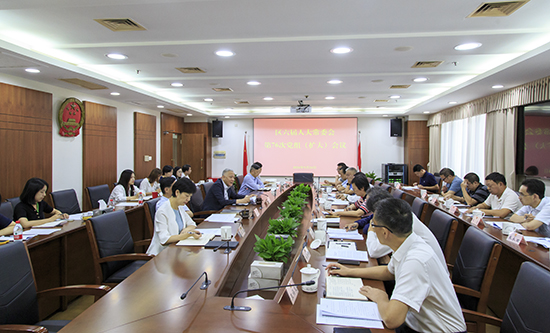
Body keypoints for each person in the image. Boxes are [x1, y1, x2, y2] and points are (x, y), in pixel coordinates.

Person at [327, 198, 466, 332]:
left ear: (385, 232)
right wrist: (349, 271)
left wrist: (381, 298)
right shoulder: (408, 243)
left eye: (373, 225)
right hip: (415, 322)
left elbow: (392, 320)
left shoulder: (415, 262)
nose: (372, 230)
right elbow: (388, 271)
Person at [346, 187, 446, 266]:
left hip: (421, 268)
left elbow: (374, 251)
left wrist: (372, 229)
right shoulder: (395, 212)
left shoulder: (397, 220)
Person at [146, 178, 201, 255]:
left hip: (177, 251)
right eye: (186, 196)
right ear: (177, 192)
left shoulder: (179, 207)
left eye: (190, 196)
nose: (188, 199)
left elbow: (192, 224)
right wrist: (187, 234)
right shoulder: (162, 211)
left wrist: (186, 231)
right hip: (162, 254)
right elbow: (165, 239)